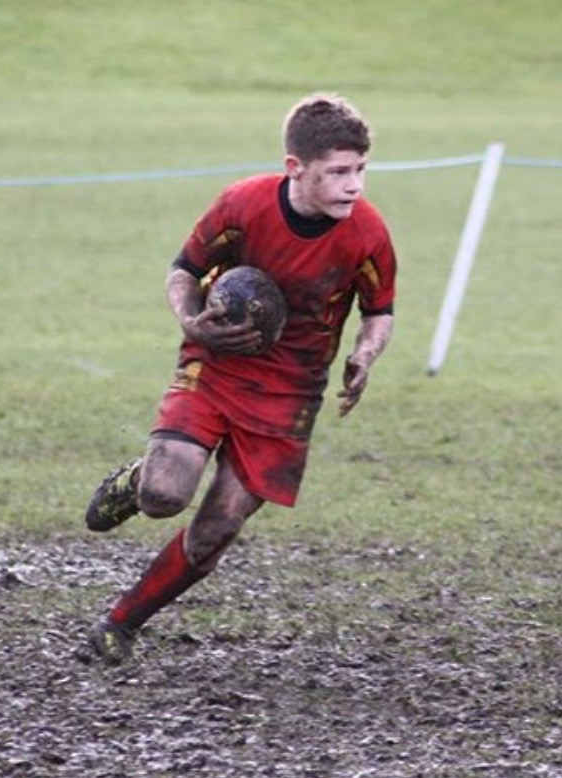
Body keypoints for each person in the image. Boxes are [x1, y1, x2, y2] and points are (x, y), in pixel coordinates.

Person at [84, 93, 397, 664]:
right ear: (295, 169)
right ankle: (136, 482)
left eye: (360, 170)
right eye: (338, 173)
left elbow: (380, 311)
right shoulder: (242, 205)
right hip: (217, 367)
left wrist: (365, 354)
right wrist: (191, 322)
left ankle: (121, 623)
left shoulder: (367, 234)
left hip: (290, 396)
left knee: (216, 531)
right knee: (163, 496)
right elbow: (184, 271)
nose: (354, 185)